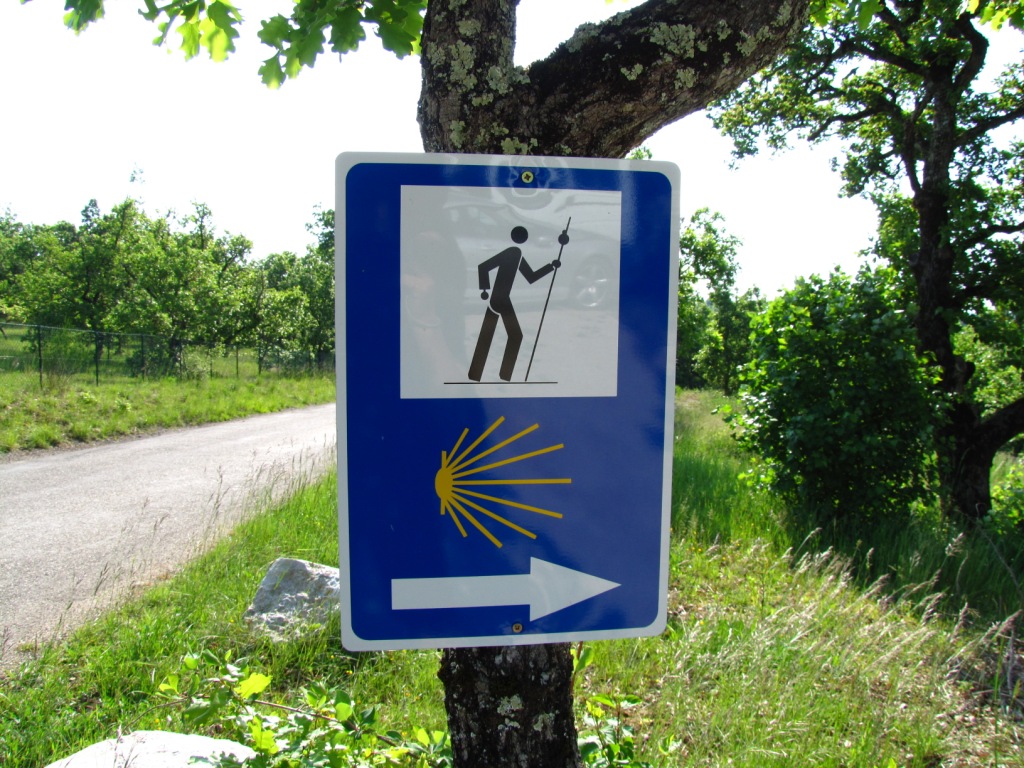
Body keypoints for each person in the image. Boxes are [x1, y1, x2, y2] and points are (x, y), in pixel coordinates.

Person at [467, 226, 564, 382]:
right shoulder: (511, 252)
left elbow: (530, 277)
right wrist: (484, 289)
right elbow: (483, 267)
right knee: (514, 335)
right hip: (499, 299)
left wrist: (551, 267)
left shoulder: (517, 254)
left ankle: (477, 374)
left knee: (489, 334)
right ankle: (503, 375)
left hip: (500, 298)